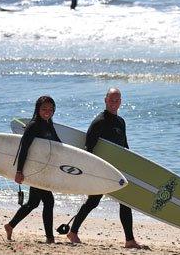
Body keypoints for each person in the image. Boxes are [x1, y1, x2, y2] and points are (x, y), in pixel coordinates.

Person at [66, 88, 150, 250]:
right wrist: (92, 170)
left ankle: (129, 240)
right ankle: (73, 231)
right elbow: (88, 148)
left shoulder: (121, 122)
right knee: (93, 201)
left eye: (117, 100)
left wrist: (131, 166)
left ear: (121, 102)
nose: (114, 103)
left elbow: (124, 147)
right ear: (105, 100)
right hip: (102, 169)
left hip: (117, 169)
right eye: (111, 100)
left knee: (124, 202)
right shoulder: (99, 121)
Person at [4, 95, 61, 243]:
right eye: (44, 109)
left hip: (44, 169)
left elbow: (57, 144)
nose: (47, 111)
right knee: (49, 201)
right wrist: (19, 171)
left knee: (33, 203)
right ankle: (50, 238)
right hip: (34, 169)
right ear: (38, 109)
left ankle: (10, 225)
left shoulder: (49, 124)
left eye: (50, 109)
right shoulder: (34, 125)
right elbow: (24, 149)